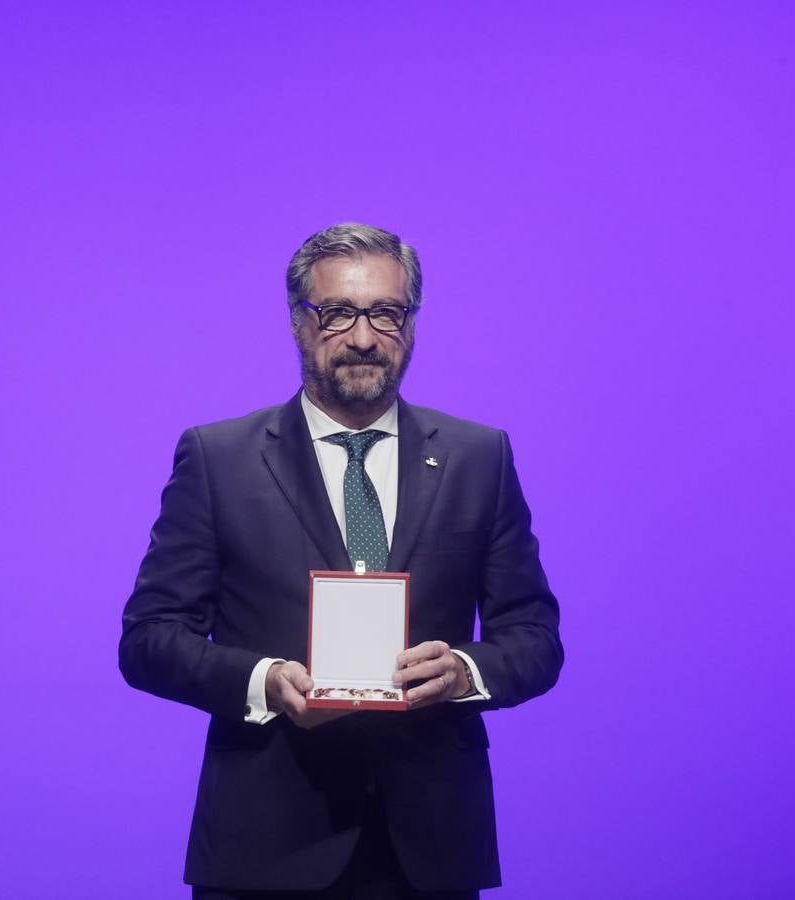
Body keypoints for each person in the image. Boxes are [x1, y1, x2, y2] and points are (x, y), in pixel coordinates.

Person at [119, 223, 563, 899]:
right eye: (338, 314)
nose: (363, 337)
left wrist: (463, 671)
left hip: (431, 851)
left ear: (411, 321)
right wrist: (266, 681)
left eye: (386, 313)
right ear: (299, 323)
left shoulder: (481, 458)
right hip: (265, 847)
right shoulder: (218, 459)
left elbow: (535, 639)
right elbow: (148, 641)